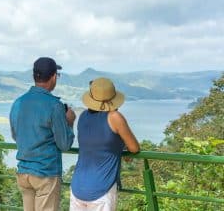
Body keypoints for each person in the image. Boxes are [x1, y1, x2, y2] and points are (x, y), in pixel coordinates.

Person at [10, 57, 76, 211]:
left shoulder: (18, 102)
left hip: (24, 172)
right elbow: (64, 144)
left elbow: (16, 135)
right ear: (53, 77)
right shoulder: (54, 105)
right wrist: (70, 122)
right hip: (45, 173)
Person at [70, 77, 140, 211]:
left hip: (78, 187)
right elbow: (134, 148)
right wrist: (122, 146)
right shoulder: (115, 117)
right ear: (113, 99)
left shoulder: (83, 116)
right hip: (102, 189)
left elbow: (98, 142)